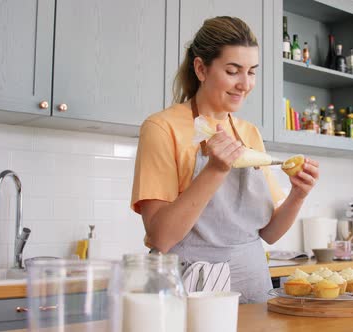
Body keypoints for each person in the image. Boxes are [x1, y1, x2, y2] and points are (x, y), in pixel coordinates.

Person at [130, 16, 319, 303]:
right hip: (189, 289)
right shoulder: (161, 128)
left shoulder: (249, 132)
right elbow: (161, 237)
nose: (245, 84)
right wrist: (215, 171)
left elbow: (268, 234)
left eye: (252, 72)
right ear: (201, 68)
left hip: (254, 289)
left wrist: (298, 194)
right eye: (233, 71)